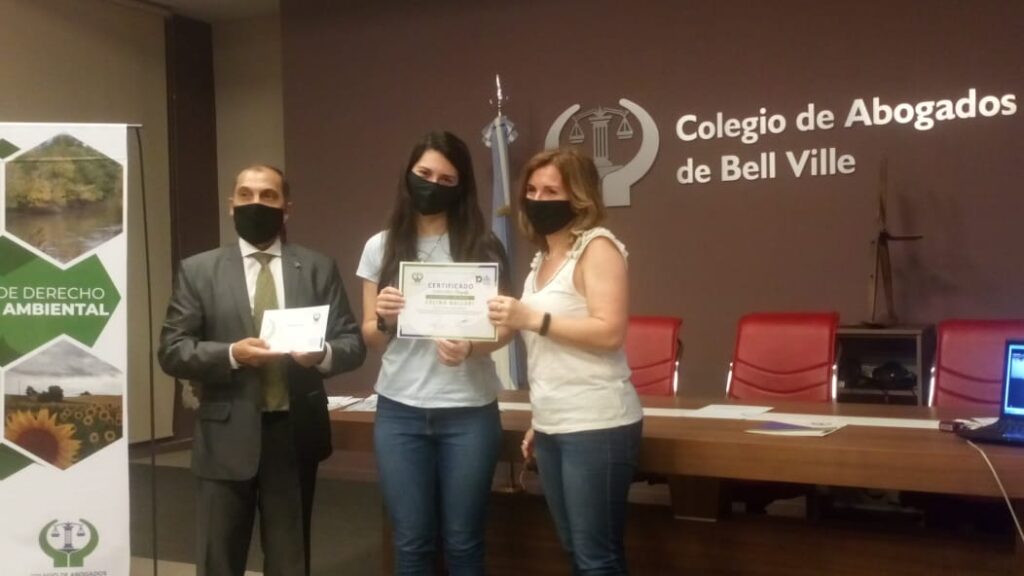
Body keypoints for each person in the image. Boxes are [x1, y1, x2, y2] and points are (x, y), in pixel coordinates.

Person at [158, 164, 366, 576]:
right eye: (246, 195)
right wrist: (231, 354)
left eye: (268, 195)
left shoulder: (318, 267)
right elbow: (172, 350)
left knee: (290, 561)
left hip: (294, 433)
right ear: (231, 205)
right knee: (219, 560)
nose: (256, 203)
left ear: (286, 208)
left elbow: (352, 344)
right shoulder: (198, 271)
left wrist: (321, 355)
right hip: (225, 434)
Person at [357, 131, 511, 575]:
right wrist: (384, 318)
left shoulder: (482, 244)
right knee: (411, 541)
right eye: (424, 174)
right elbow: (371, 337)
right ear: (408, 175)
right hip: (400, 411)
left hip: (469, 410)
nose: (432, 185)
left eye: (446, 179)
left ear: (461, 186)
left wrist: (471, 346)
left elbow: (505, 328)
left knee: (464, 541)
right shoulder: (380, 246)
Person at [488, 147, 642, 575]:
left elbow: (609, 333)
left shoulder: (598, 248)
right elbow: (551, 355)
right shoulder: (542, 259)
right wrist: (541, 421)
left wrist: (531, 318)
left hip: (597, 423)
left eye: (551, 191)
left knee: (597, 558)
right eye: (532, 190)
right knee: (575, 550)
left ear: (579, 196)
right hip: (554, 422)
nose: (538, 199)